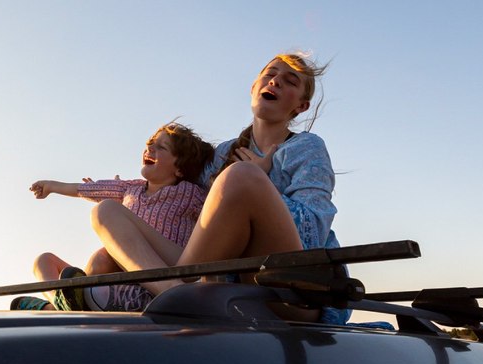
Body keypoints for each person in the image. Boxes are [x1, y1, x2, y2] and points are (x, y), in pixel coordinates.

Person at [90, 52, 349, 324]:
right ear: (253, 87)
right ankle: (171, 293)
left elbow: (314, 230)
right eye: (270, 74)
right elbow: (183, 198)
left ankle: (175, 290)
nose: (276, 82)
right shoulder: (222, 154)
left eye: (290, 81)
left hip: (286, 288)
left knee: (242, 176)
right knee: (105, 212)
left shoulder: (306, 147)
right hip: (211, 275)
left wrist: (259, 184)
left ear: (301, 106)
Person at [16, 122, 214, 311]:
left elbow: (218, 208)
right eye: (149, 144)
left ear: (179, 168)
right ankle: (61, 303)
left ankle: (170, 293)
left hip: (169, 264)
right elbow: (84, 189)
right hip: (124, 270)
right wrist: (50, 186)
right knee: (44, 261)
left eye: (161, 147)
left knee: (104, 214)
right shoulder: (130, 188)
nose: (150, 148)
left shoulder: (191, 193)